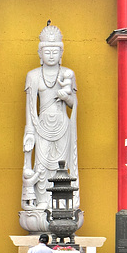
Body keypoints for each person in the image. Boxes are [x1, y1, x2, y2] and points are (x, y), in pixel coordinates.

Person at [23, 24, 78, 211]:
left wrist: (66, 97)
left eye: (55, 51)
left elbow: (73, 104)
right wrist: (29, 132)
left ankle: (61, 201)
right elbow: (30, 107)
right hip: (41, 124)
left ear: (61, 53)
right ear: (40, 54)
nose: (52, 55)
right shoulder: (33, 76)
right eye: (47, 51)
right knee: (41, 164)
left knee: (60, 165)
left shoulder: (67, 73)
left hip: (62, 123)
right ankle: (43, 200)